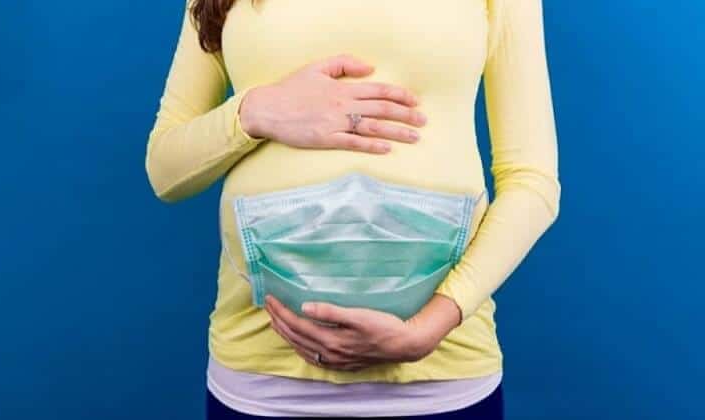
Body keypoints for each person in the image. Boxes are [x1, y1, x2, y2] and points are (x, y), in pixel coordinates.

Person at [145, 0, 561, 418]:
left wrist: (428, 327)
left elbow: (532, 181)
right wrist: (252, 112)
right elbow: (165, 170)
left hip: (443, 377)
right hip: (261, 380)